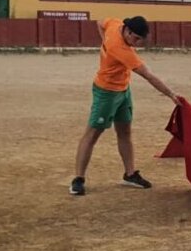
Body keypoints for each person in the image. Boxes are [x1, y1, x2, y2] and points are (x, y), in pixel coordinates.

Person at [70, 16, 182, 196]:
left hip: (122, 90)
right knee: (92, 134)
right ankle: (78, 179)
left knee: (125, 131)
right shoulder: (121, 49)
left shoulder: (115, 24)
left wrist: (104, 45)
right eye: (136, 38)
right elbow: (149, 76)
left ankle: (130, 174)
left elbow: (99, 22)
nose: (137, 43)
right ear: (128, 32)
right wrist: (171, 95)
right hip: (106, 92)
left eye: (140, 40)